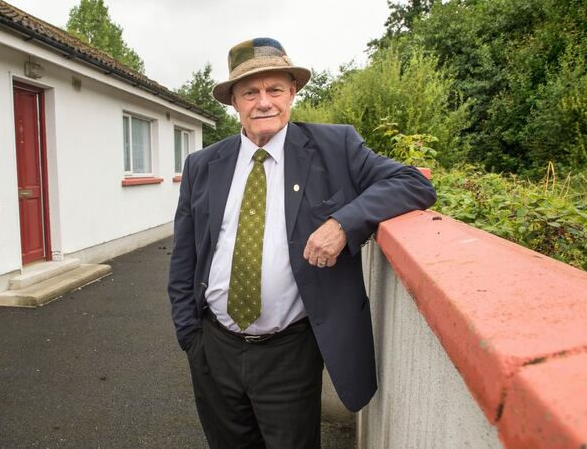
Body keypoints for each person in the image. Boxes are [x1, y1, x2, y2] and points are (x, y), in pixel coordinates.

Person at [168, 38, 437, 448]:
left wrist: (344, 223)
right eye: (250, 92)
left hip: (289, 352)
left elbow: (413, 183)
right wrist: (191, 338)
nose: (264, 102)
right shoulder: (203, 165)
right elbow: (184, 257)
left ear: (292, 93)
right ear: (234, 103)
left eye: (275, 89)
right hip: (214, 348)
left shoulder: (336, 147)